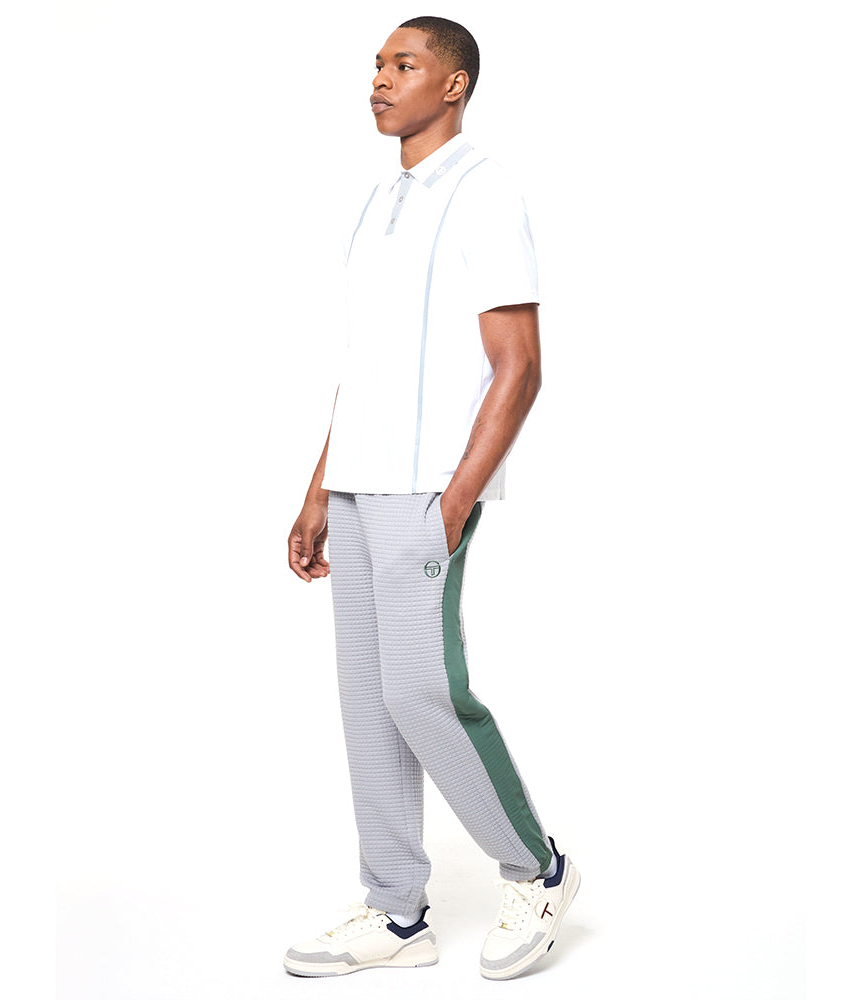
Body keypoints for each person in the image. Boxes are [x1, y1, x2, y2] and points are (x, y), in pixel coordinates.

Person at [283, 16, 579, 981]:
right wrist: (319, 490)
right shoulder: (378, 203)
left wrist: (454, 504)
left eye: (404, 65)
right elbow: (365, 366)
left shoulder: (486, 190)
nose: (380, 79)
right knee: (369, 705)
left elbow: (519, 365)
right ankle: (396, 912)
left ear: (452, 86)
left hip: (424, 489)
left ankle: (538, 868)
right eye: (377, 64)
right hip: (358, 484)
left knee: (421, 690)